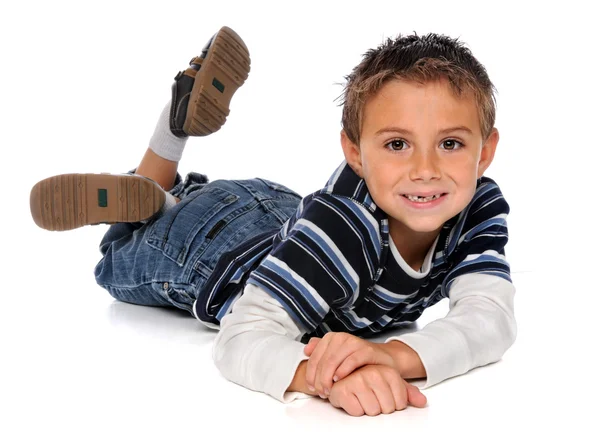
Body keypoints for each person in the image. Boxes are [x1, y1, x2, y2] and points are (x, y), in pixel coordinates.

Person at [30, 26, 517, 417]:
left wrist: (392, 356)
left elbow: (489, 318)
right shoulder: (345, 232)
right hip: (209, 250)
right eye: (397, 144)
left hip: (281, 213)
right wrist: (325, 377)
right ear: (355, 154)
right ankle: (165, 156)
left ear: (485, 151)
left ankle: (166, 173)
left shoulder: (476, 207)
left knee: (174, 206)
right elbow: (241, 337)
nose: (425, 170)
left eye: (450, 144)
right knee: (120, 253)